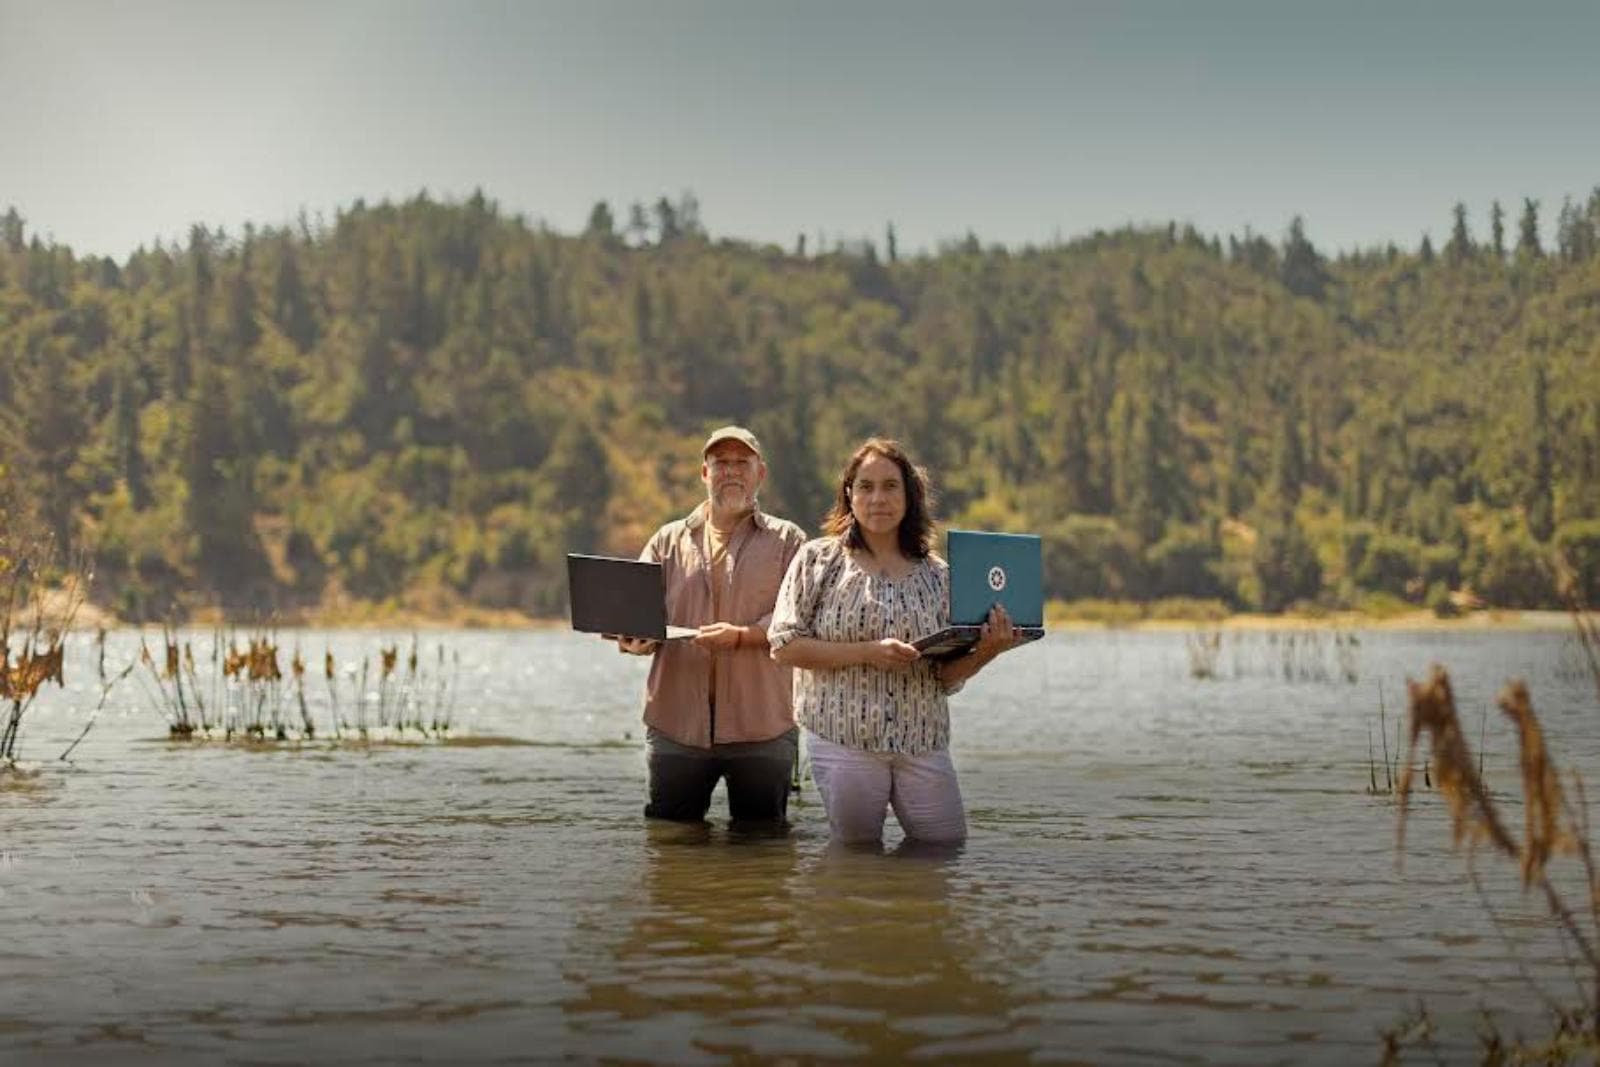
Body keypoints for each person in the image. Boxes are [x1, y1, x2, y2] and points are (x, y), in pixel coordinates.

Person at [767, 437, 1021, 846]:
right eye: (865, 486)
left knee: (945, 845)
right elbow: (783, 646)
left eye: (890, 486)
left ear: (909, 496)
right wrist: (868, 653)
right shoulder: (818, 560)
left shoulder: (939, 576)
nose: (878, 498)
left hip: (923, 741)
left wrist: (987, 651)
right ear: (848, 495)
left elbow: (944, 678)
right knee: (857, 858)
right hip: (842, 736)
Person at [615, 426, 808, 828]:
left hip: (764, 727)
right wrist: (634, 640)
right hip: (675, 727)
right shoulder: (666, 541)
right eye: (721, 463)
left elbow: (800, 615)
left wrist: (741, 636)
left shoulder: (789, 540)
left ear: (761, 473)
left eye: (743, 463)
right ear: (705, 473)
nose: (731, 472)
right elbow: (637, 616)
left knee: (762, 851)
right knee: (670, 847)